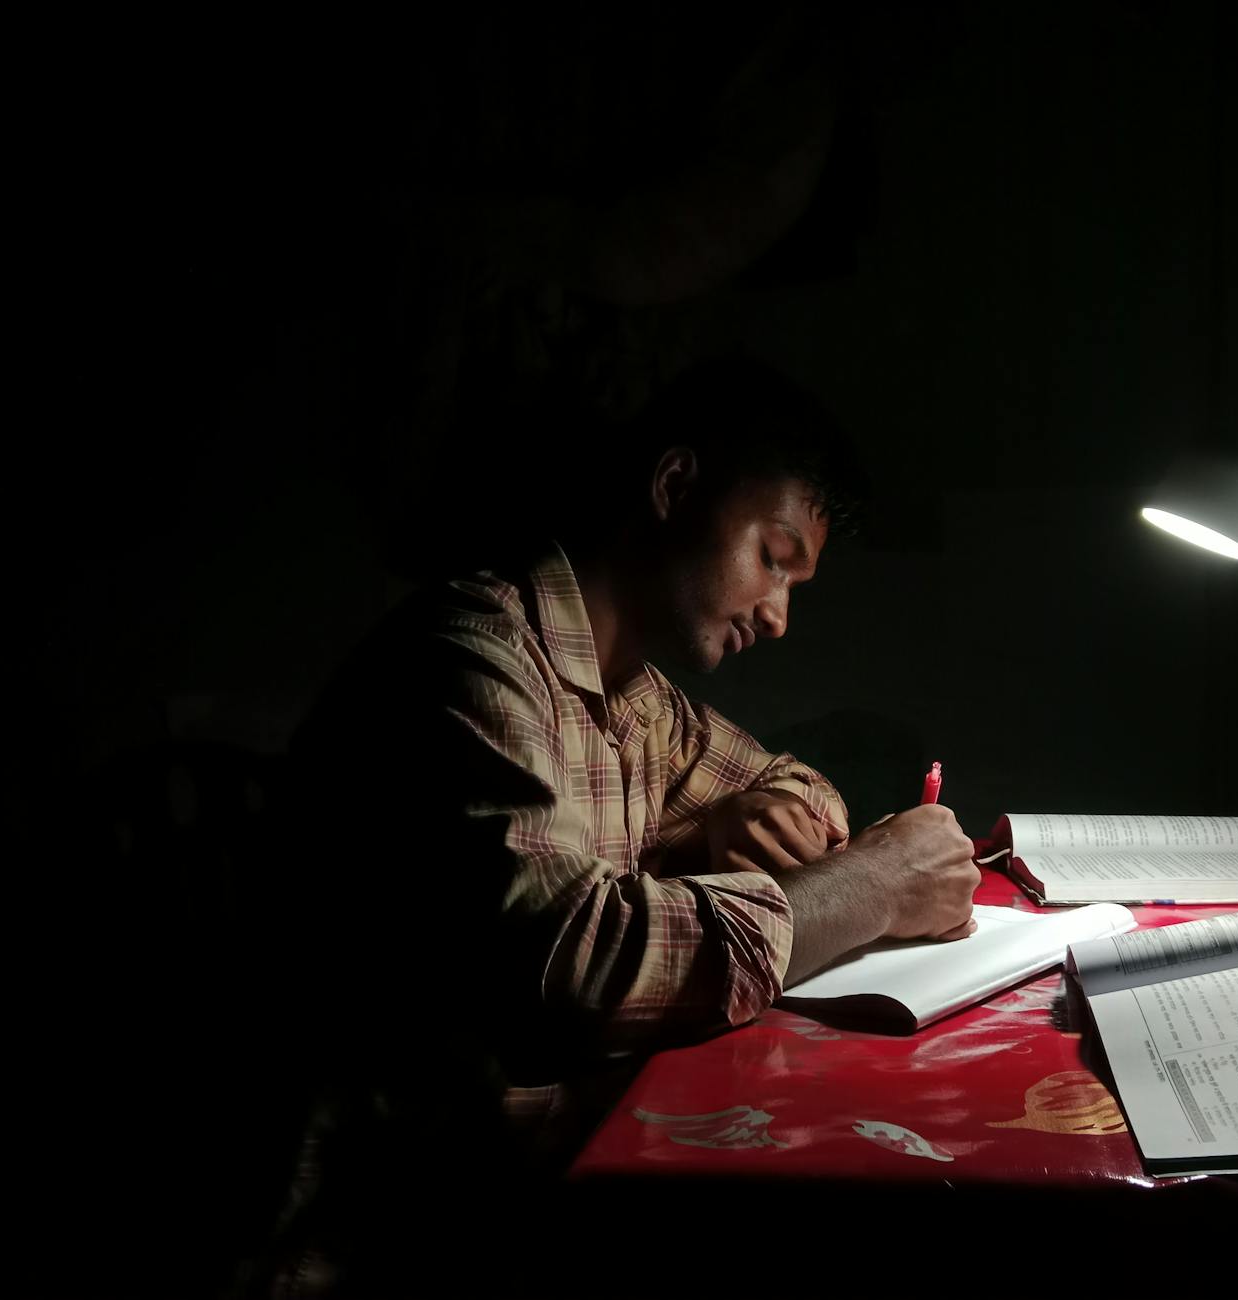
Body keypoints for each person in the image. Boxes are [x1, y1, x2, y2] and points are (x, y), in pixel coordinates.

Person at [270, 358, 978, 1283]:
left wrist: (764, 814)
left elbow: (790, 779)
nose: (777, 617)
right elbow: (576, 959)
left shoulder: (635, 700)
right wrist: (870, 885)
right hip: (374, 1239)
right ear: (673, 487)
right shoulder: (472, 667)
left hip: (530, 1192)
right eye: (772, 560)